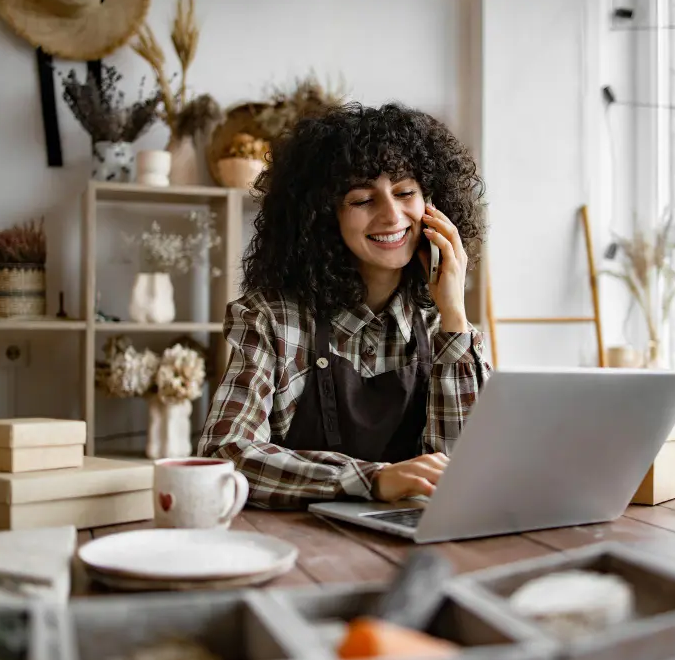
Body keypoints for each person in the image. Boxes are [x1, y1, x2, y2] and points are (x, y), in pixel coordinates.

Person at [197, 102, 492, 510]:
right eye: (362, 200)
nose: (392, 215)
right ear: (322, 217)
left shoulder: (442, 326)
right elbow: (223, 452)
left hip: (411, 541)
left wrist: (455, 317)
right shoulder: (272, 320)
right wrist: (371, 479)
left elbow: (468, 470)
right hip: (301, 549)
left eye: (405, 192)